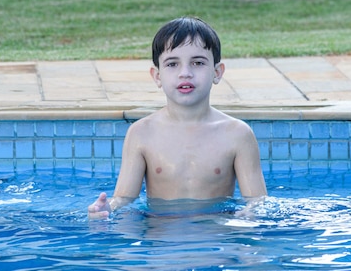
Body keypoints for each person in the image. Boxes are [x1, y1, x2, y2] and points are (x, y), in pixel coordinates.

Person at [88, 17, 267, 219]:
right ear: (157, 76)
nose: (185, 73)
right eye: (172, 64)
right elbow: (123, 198)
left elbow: (257, 200)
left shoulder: (237, 134)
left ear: (217, 73)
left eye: (198, 63)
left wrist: (249, 214)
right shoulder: (141, 133)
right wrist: (106, 210)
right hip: (160, 238)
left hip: (217, 238)